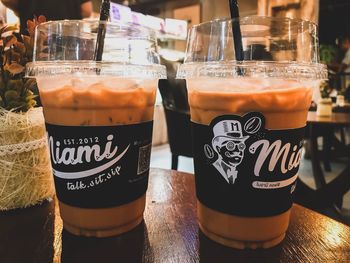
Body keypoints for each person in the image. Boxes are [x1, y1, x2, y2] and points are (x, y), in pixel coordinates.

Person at [1, 0, 92, 34]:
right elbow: (87, 10)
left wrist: (20, 9)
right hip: (68, 38)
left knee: (33, 74)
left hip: (33, 38)